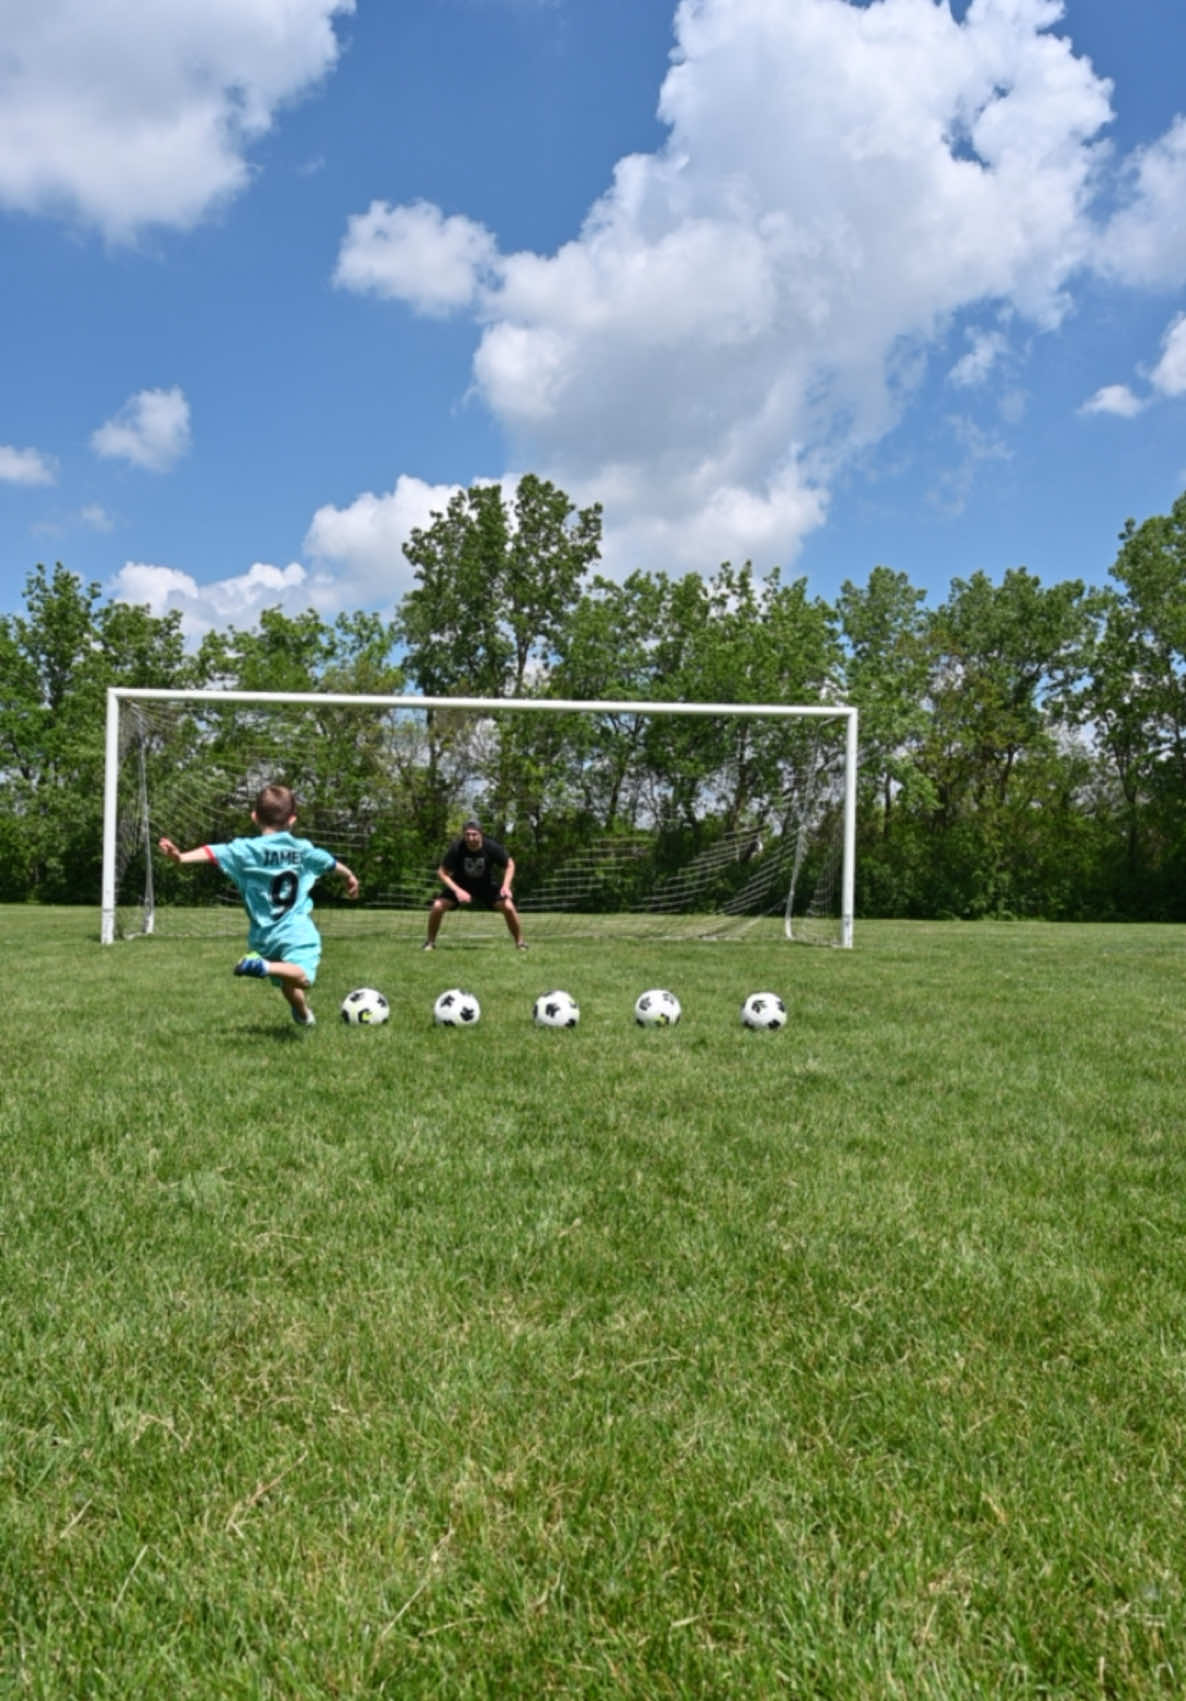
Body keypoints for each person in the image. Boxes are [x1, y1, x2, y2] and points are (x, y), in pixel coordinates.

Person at [158, 781, 359, 1026]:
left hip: (263, 935)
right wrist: (349, 876)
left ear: (254, 817)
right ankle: (263, 966)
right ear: (292, 819)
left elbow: (212, 852)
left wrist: (180, 858)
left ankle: (303, 1014)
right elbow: (329, 863)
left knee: (289, 983)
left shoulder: (244, 850)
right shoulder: (301, 849)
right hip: (295, 930)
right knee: (303, 977)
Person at [424, 817, 526, 950]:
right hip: (461, 885)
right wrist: (457, 890)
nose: (471, 838)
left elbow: (510, 864)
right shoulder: (457, 848)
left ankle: (520, 944)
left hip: (486, 886)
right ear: (464, 835)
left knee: (508, 906)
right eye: (467, 835)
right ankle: (430, 943)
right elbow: (441, 872)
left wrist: (506, 886)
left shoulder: (491, 847)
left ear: (481, 834)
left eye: (474, 834)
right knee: (437, 906)